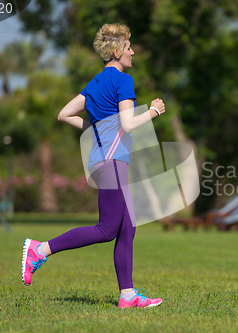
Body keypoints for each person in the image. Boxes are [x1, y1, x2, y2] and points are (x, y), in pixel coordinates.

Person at [21, 23, 165, 309]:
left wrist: (96, 128)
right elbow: (128, 123)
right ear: (116, 51)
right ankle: (40, 249)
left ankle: (128, 297)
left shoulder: (95, 82)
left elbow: (64, 114)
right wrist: (153, 111)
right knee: (107, 228)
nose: (133, 51)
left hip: (102, 160)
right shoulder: (124, 80)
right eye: (128, 47)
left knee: (128, 227)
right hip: (113, 161)